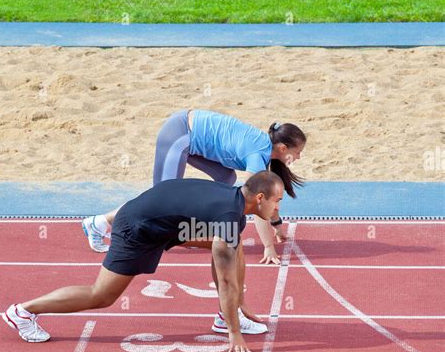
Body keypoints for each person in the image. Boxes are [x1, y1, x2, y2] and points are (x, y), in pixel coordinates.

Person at [3, 171, 285, 352]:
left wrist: (239, 302)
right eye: (277, 202)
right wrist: (236, 335)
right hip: (137, 228)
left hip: (165, 221)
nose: (277, 209)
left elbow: (222, 251)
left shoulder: (232, 200)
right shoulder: (229, 217)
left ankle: (226, 316)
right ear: (259, 198)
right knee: (101, 296)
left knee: (230, 247)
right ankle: (23, 312)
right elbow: (224, 281)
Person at [83, 109, 306, 265]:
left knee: (225, 180)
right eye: (297, 152)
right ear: (283, 148)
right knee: (158, 202)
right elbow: (258, 204)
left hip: (192, 137)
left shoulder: (265, 150)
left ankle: (193, 230)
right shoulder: (257, 155)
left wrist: (277, 226)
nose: (299, 157)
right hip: (180, 133)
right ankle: (99, 223)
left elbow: (268, 200)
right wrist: (268, 246)